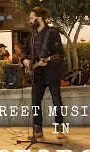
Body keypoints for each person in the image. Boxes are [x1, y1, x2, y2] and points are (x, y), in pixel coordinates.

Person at [21, 7, 65, 139]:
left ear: (38, 18)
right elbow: (25, 50)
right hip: (37, 73)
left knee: (56, 101)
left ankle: (60, 127)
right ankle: (38, 128)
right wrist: (25, 59)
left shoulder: (52, 33)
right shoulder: (32, 35)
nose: (29, 20)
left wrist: (48, 60)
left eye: (31, 18)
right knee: (35, 102)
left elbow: (59, 54)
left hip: (51, 72)